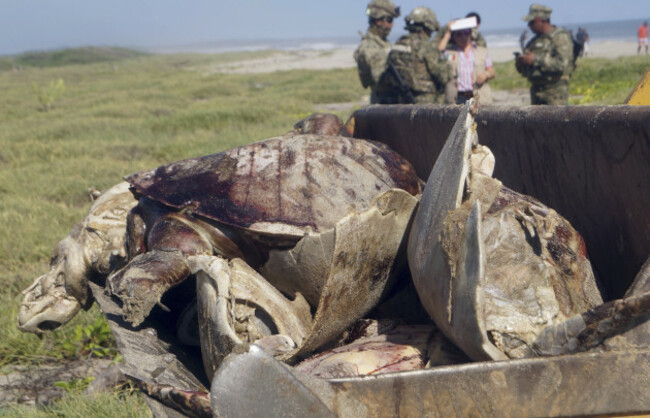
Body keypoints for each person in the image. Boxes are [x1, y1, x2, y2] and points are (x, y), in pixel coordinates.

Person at [384, 6, 454, 104]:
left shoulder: (398, 44)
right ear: (428, 26)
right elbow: (444, 76)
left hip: (400, 103)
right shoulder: (425, 47)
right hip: (426, 105)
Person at [515, 4, 574, 105]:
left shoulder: (559, 37)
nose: (529, 25)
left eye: (532, 22)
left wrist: (536, 59)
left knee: (555, 120)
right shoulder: (533, 42)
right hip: (536, 92)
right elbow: (525, 71)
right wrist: (521, 63)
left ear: (542, 20)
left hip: (555, 93)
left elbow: (561, 64)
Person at [354, 0, 401, 104]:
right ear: (378, 21)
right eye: (389, 20)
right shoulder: (369, 47)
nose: (391, 25)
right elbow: (380, 79)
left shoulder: (383, 43)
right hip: (384, 105)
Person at [438, 20, 496, 104]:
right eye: (458, 34)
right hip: (457, 98)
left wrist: (486, 74)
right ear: (453, 36)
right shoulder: (450, 54)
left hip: (478, 96)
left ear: (470, 34)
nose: (463, 37)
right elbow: (438, 53)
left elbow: (492, 71)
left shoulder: (481, 51)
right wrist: (448, 32)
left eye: (466, 32)